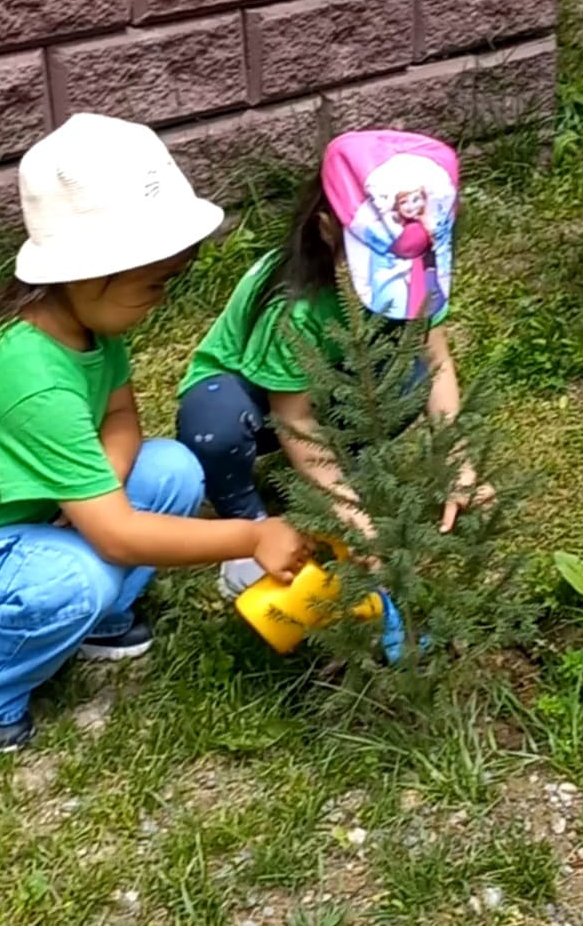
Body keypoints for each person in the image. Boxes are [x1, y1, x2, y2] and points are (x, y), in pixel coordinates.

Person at [0, 114, 308, 759]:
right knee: (79, 574)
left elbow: (120, 419)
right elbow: (116, 534)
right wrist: (253, 534)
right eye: (154, 283)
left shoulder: (86, 326)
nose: (164, 298)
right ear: (89, 274)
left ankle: (90, 614)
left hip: (21, 521)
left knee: (170, 471)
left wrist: (97, 493)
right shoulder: (28, 378)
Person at [177, 129, 490, 599]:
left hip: (336, 386)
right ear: (326, 230)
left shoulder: (423, 275)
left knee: (411, 377)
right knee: (215, 422)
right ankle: (247, 526)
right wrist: (351, 513)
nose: (398, 285)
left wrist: (458, 462)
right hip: (258, 400)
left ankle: (344, 466)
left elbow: (438, 363)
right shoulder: (297, 304)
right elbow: (293, 416)